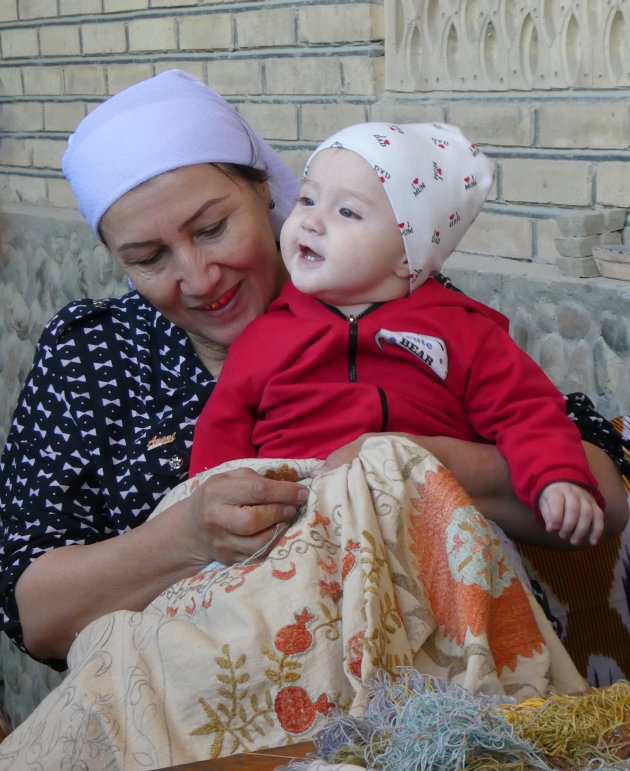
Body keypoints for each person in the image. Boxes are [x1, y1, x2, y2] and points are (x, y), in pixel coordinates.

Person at [0, 71, 627, 680]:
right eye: (149, 258)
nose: (198, 277)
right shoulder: (94, 353)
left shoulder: (389, 296)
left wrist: (419, 463)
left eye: (213, 229)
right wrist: (189, 535)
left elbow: (599, 487)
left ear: (266, 191)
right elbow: (36, 614)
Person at [189, 121, 613, 548]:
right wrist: (204, 508)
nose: (312, 222)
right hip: (295, 524)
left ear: (406, 256)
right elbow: (221, 429)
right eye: (308, 199)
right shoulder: (265, 335)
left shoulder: (462, 330)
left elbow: (525, 409)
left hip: (428, 525)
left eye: (347, 211)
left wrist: (556, 478)